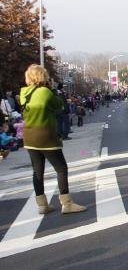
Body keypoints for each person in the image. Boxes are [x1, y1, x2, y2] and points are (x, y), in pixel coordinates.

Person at [20, 64, 86, 215]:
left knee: (37, 171)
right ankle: (67, 203)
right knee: (61, 168)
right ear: (42, 76)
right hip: (45, 135)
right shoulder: (45, 92)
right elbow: (59, 105)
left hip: (29, 137)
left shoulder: (24, 93)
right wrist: (53, 89)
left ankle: (42, 205)